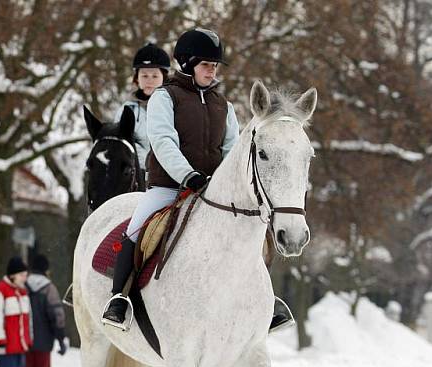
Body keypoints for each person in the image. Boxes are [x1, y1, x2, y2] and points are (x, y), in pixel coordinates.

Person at [101, 28, 292, 332]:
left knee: (257, 229)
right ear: (187, 63)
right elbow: (163, 141)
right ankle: (119, 298)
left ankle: (266, 302)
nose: (212, 71)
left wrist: (227, 182)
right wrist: (187, 174)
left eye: (215, 66)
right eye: (206, 65)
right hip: (169, 186)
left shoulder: (223, 105)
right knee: (138, 229)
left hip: (212, 191)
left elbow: (232, 149)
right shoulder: (165, 97)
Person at [114, 42, 170, 174]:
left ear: (164, 78)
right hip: (135, 173)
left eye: (155, 76)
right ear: (136, 79)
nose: (149, 80)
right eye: (144, 75)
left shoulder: (173, 108)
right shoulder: (126, 110)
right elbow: (121, 144)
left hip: (166, 174)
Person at [25, 254, 67, 367]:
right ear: (45, 270)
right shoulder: (49, 288)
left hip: (25, 341)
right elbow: (57, 315)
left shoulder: (22, 285)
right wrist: (60, 338)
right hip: (44, 342)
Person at [0, 256, 32, 367]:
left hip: (20, 345)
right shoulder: (0, 291)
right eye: (22, 275)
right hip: (6, 347)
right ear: (13, 275)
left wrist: (28, 338)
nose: (25, 278)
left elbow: (28, 319)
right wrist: (1, 339)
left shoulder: (23, 292)